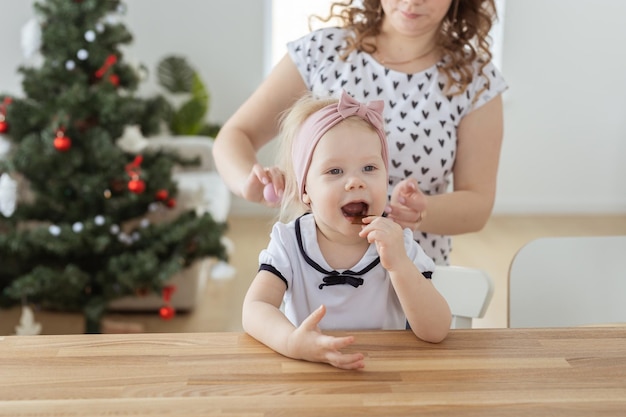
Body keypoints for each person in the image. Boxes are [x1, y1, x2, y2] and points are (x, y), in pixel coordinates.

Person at [213, 0, 507, 265]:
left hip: (415, 284)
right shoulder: (321, 54)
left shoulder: (476, 81)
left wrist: (422, 211)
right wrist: (248, 182)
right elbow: (236, 135)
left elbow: (478, 203)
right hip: (313, 274)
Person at [241, 91, 452, 370]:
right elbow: (255, 309)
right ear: (306, 191)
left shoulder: (399, 244)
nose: (355, 182)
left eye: (369, 167)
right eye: (335, 171)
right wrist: (292, 341)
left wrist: (400, 264)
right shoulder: (289, 242)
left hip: (386, 377)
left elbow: (436, 330)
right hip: (310, 377)